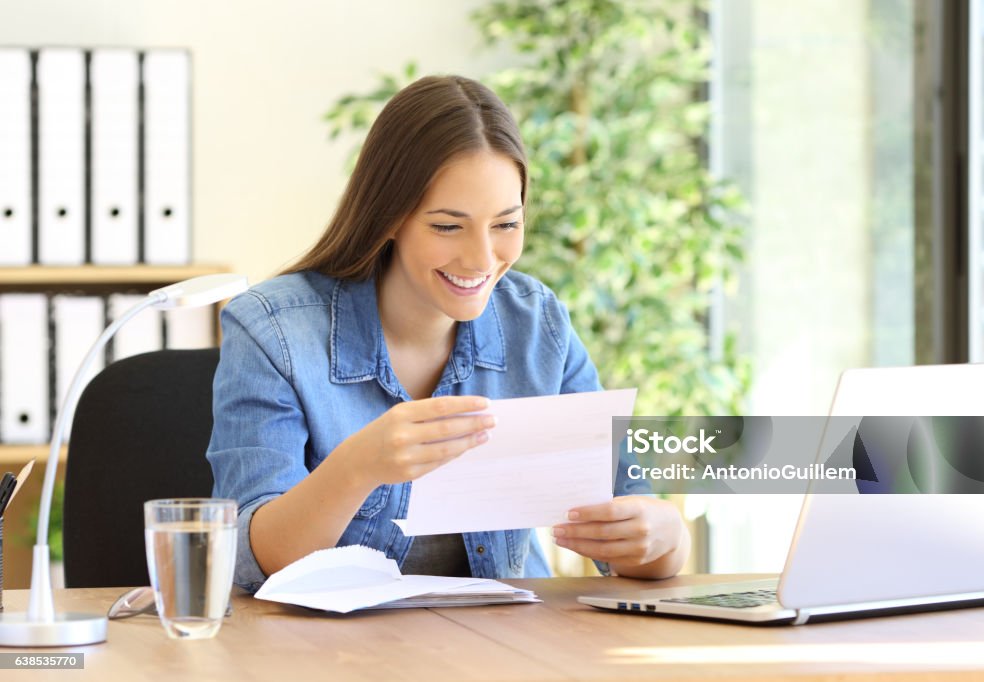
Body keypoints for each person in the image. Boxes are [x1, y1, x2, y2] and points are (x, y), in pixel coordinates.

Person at [207, 75, 689, 593]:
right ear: (388, 217)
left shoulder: (538, 324)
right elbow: (252, 560)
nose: (482, 259)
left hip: (511, 646)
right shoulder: (273, 330)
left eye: (506, 224)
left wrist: (666, 538)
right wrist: (358, 466)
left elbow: (633, 522)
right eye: (447, 226)